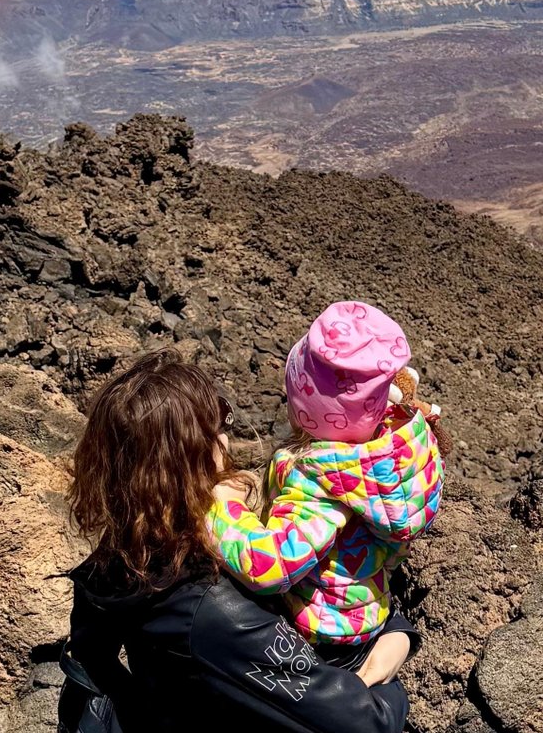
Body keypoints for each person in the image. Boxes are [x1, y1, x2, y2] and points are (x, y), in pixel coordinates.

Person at [61, 352, 417, 733]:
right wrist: (389, 676)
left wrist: (397, 628)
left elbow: (92, 660)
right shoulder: (219, 608)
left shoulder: (126, 545)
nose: (227, 433)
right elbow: (366, 724)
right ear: (195, 454)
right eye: (217, 419)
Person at [204, 302, 442, 677]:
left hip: (318, 637)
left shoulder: (322, 480)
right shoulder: (399, 451)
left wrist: (220, 508)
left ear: (305, 406)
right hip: (367, 614)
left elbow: (270, 566)